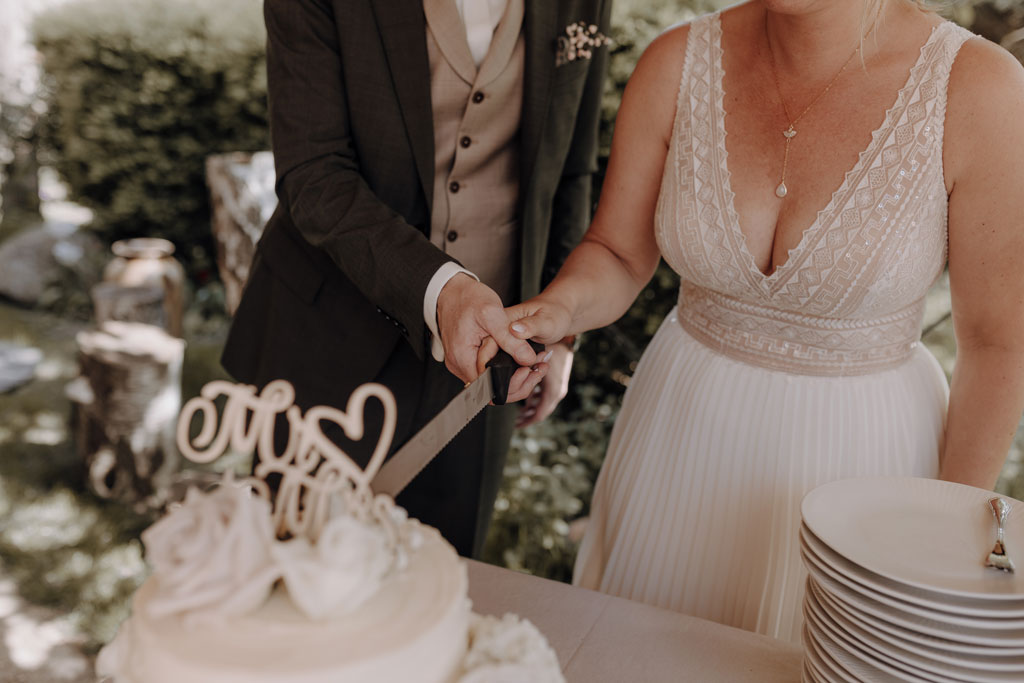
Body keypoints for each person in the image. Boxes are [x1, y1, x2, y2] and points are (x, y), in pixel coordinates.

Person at [498, 0, 1024, 643]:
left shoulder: (979, 89)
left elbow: (998, 343)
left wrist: (948, 528)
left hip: (865, 467)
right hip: (676, 444)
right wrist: (557, 310)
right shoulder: (676, 61)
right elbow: (616, 252)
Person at [221, 0, 612, 559]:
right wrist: (441, 291)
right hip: (328, 341)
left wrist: (562, 326)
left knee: (445, 584)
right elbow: (313, 173)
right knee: (297, 578)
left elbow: (570, 167)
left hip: (487, 363)